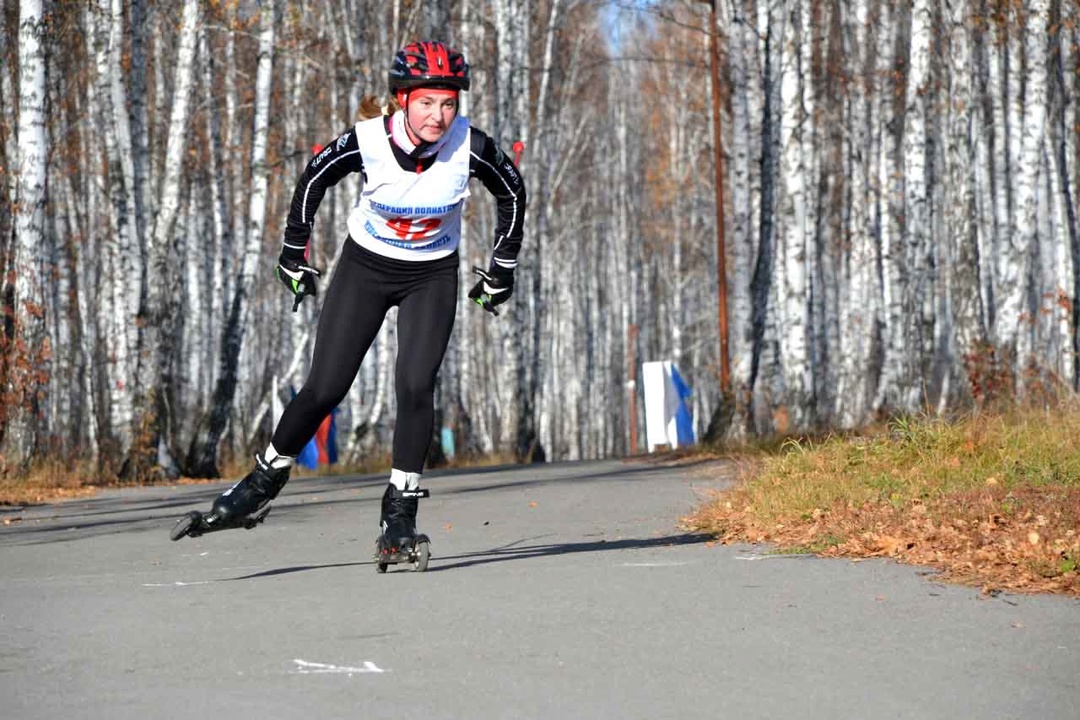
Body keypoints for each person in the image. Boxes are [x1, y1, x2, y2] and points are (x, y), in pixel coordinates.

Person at [171, 40, 527, 567]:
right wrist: (294, 251)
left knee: (415, 385)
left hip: (431, 274)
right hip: (366, 269)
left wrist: (502, 267)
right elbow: (312, 179)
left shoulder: (471, 146)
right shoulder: (368, 140)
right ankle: (261, 483)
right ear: (402, 99)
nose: (438, 115)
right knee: (324, 388)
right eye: (426, 102)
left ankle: (400, 512)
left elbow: (513, 194)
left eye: (449, 103)